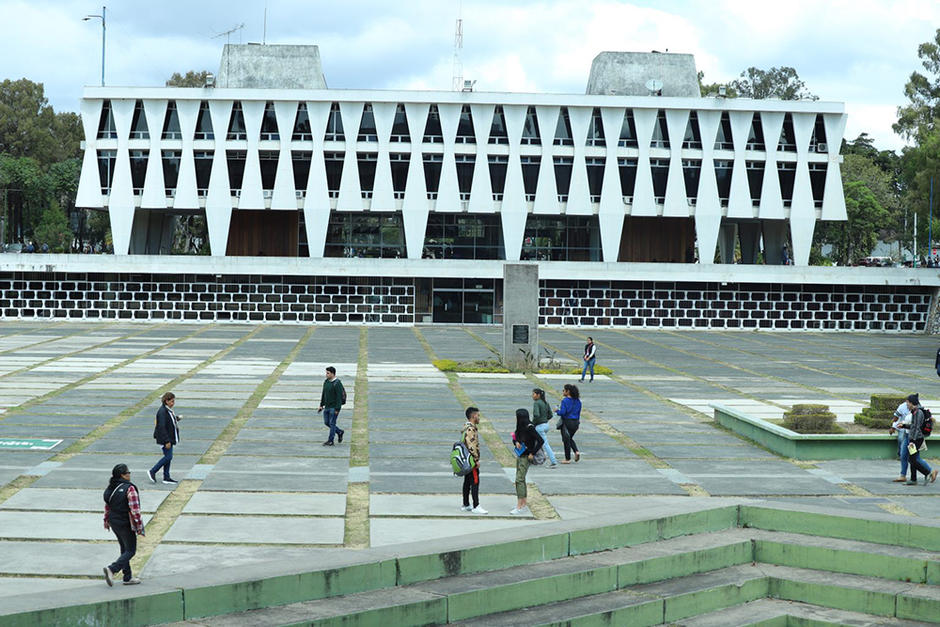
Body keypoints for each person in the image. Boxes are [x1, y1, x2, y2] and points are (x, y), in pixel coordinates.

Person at [103, 463, 145, 586]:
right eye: (128, 472)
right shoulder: (129, 488)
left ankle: (127, 577)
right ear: (123, 475)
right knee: (131, 550)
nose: (129, 474)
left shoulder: (110, 488)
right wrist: (139, 526)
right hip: (125, 522)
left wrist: (106, 520)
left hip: (114, 521)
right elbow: (135, 510)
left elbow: (107, 505)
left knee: (124, 548)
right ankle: (112, 569)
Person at [511, 408, 544, 515]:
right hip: (520, 454)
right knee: (520, 479)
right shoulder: (520, 427)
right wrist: (516, 442)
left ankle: (520, 505)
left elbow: (540, 441)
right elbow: (515, 437)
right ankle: (523, 503)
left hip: (526, 456)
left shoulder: (530, 428)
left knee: (519, 479)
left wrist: (532, 453)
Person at [905, 394, 938, 485]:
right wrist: (904, 425)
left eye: (907, 403)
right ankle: (913, 479)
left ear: (912, 403)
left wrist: (912, 441)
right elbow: (913, 426)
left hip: (916, 439)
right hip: (915, 438)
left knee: (912, 459)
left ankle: (929, 473)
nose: (906, 404)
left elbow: (916, 428)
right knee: (913, 459)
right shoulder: (915, 411)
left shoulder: (918, 412)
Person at [148, 392, 180, 485]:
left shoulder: (168, 410)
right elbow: (161, 427)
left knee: (168, 458)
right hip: (166, 439)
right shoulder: (162, 411)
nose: (173, 403)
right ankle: (153, 471)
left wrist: (176, 419)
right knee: (168, 457)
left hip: (170, 438)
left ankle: (166, 477)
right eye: (172, 401)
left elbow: (168, 421)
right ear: (166, 401)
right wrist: (167, 441)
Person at [460, 406, 487, 514]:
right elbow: (471, 445)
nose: (479, 417)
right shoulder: (471, 429)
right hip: (471, 460)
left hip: (466, 459)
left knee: (467, 481)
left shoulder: (466, 427)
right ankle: (476, 505)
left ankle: (466, 504)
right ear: (473, 416)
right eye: (478, 415)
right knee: (475, 482)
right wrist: (476, 460)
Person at [318, 366, 346, 446]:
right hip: (327, 406)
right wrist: (321, 405)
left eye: (328, 373)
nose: (326, 374)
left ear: (333, 374)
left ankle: (331, 440)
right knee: (327, 422)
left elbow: (339, 397)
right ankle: (339, 432)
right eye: (326, 373)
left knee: (332, 423)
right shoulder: (326, 382)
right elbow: (324, 394)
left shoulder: (337, 383)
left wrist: (337, 409)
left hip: (334, 407)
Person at [556, 383, 582, 464]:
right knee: (569, 438)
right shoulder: (578, 401)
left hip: (567, 422)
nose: (563, 391)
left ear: (568, 392)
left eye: (564, 390)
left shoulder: (565, 401)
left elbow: (563, 412)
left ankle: (567, 459)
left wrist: (557, 411)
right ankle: (576, 451)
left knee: (566, 440)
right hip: (576, 422)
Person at [531, 388, 557, 468]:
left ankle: (553, 461)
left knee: (544, 444)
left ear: (538, 395)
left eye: (533, 394)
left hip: (539, 426)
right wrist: (544, 419)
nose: (532, 396)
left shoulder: (536, 403)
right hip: (546, 425)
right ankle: (539, 458)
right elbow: (550, 415)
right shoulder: (545, 403)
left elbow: (536, 415)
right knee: (539, 443)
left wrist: (533, 423)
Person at [889, 400, 911, 482]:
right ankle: (903, 474)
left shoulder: (917, 410)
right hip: (904, 429)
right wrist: (893, 427)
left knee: (915, 458)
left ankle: (929, 472)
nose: (908, 405)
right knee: (901, 439)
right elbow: (895, 418)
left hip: (913, 434)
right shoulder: (902, 407)